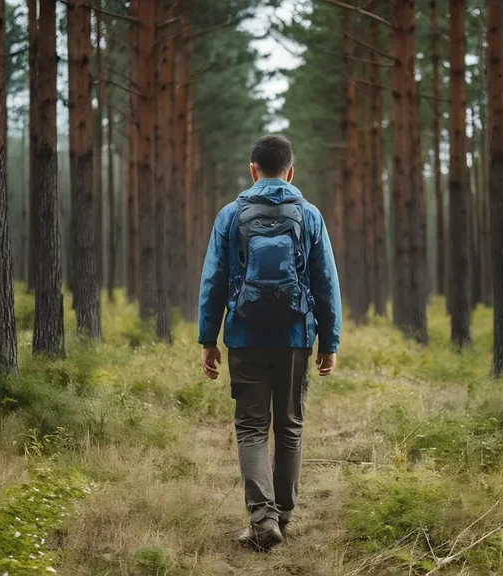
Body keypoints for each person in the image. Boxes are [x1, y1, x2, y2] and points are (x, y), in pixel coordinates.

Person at [197, 135, 342, 551]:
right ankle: (285, 516)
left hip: (244, 336)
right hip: (295, 336)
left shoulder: (230, 215)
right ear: (290, 172)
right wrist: (328, 342)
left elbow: (213, 281)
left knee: (251, 428)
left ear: (253, 170)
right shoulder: (309, 215)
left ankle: (262, 519)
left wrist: (209, 339)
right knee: (290, 428)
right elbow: (326, 283)